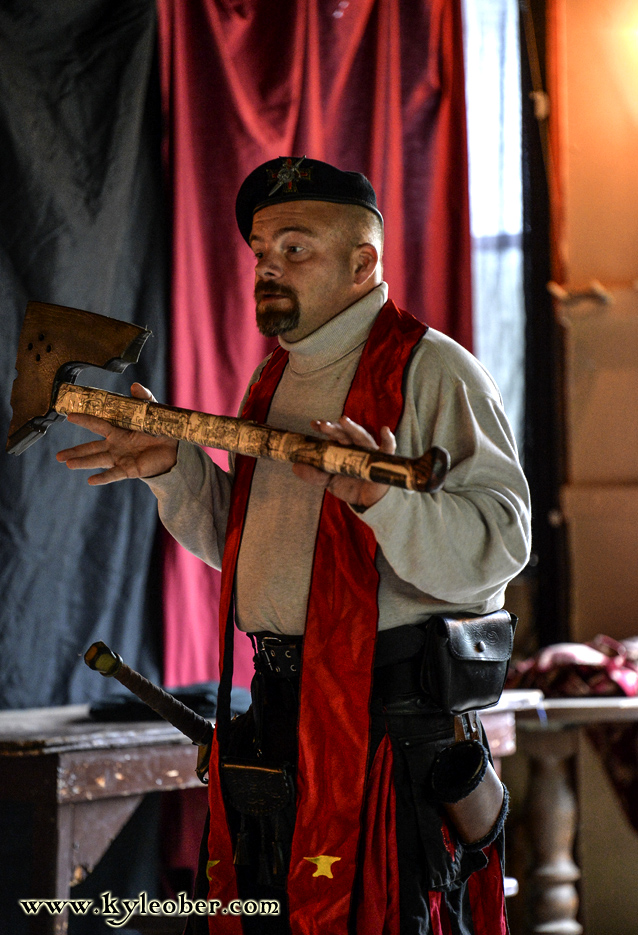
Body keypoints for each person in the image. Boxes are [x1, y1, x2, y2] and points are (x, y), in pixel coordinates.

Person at [57, 157, 531, 935]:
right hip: (280, 722)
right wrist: (174, 468)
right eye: (260, 253)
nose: (267, 267)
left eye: (294, 248)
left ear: (362, 263)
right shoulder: (272, 380)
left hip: (389, 733)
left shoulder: (429, 367)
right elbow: (257, 554)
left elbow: (503, 541)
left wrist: (385, 503)